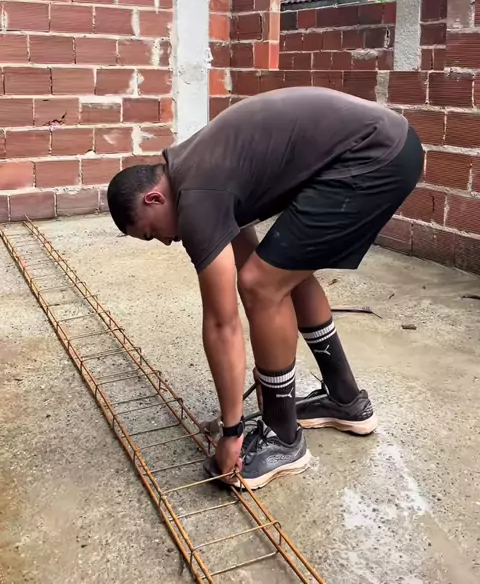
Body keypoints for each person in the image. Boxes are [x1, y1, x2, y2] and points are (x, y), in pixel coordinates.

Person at [107, 86, 424, 490]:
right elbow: (251, 262)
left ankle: (283, 438)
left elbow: (222, 324)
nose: (167, 242)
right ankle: (346, 400)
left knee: (261, 284)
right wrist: (268, 380)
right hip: (384, 144)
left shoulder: (198, 196)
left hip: (373, 156)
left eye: (153, 233)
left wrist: (232, 432)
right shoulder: (198, 167)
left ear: (154, 199)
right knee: (280, 269)